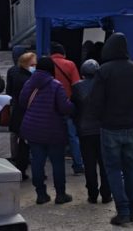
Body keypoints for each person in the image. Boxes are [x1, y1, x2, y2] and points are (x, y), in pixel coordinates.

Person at [90, 33, 133, 226]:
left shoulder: (104, 71)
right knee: (130, 169)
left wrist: (101, 117)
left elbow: (95, 101)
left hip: (110, 127)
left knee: (113, 169)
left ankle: (123, 211)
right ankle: (132, 210)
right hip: (132, 126)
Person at [20, 56, 75, 205]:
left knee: (37, 162)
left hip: (32, 129)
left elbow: (22, 102)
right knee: (57, 162)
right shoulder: (55, 85)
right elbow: (64, 108)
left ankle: (41, 194)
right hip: (53, 130)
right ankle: (60, 194)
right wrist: (73, 105)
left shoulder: (29, 83)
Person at [72, 59, 111, 204]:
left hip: (84, 130)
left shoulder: (76, 87)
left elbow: (73, 109)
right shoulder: (105, 86)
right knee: (104, 163)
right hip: (102, 129)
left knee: (89, 163)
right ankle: (106, 194)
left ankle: (92, 194)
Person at [49, 42, 84, 175]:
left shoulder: (46, 64)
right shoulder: (70, 64)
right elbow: (77, 85)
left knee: (53, 136)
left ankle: (55, 164)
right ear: (63, 53)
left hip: (51, 106)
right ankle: (78, 165)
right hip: (67, 105)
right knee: (72, 136)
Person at [7, 52, 36, 179]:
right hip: (26, 114)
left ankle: (20, 168)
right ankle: (24, 169)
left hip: (18, 113)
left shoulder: (16, 73)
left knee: (21, 143)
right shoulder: (27, 79)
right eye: (33, 64)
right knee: (28, 145)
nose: (35, 66)